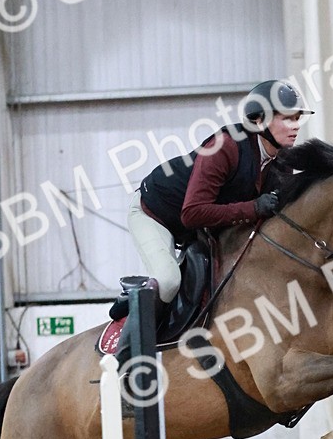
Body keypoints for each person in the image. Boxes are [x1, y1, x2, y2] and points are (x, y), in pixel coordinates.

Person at [125, 79, 313, 309]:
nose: (295, 126)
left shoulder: (282, 160)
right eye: (287, 118)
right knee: (168, 281)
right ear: (259, 119)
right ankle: (130, 336)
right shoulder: (226, 146)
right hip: (155, 214)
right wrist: (252, 208)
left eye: (297, 119)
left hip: (198, 229)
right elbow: (192, 213)